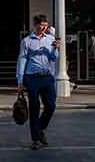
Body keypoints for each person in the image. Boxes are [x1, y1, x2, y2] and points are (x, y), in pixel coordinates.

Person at [16, 14, 60, 150]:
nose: (43, 27)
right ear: (34, 25)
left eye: (45, 25)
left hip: (47, 77)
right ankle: (35, 139)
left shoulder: (51, 39)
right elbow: (22, 60)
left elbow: (53, 58)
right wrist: (20, 81)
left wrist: (55, 48)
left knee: (51, 106)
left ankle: (40, 128)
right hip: (32, 78)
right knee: (34, 108)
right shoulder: (27, 41)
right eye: (41, 25)